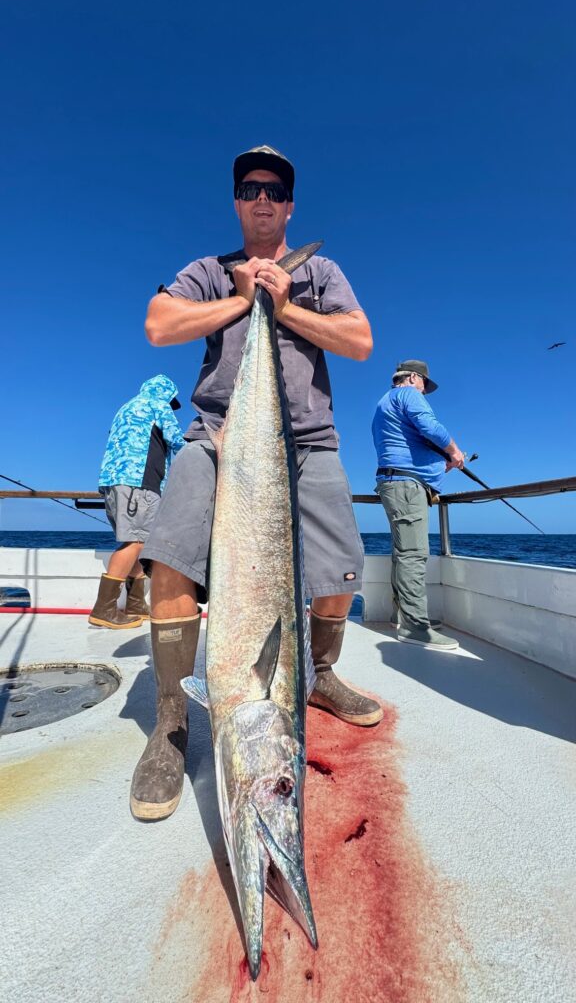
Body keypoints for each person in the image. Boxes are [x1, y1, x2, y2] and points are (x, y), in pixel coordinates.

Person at [130, 143, 383, 822]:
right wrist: (241, 300)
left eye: (275, 187)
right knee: (170, 559)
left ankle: (319, 676)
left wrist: (283, 303)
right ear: (237, 202)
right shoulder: (208, 270)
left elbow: (358, 341)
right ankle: (172, 723)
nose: (262, 196)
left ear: (290, 204)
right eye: (249, 187)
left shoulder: (321, 270)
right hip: (217, 433)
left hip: (307, 440)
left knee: (341, 574)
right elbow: (160, 326)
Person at [372, 360, 465, 651]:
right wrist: (454, 452)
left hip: (395, 483)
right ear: (413, 377)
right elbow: (429, 426)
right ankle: (414, 626)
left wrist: (438, 463)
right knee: (413, 554)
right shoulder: (409, 394)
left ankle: (403, 616)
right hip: (406, 486)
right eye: (425, 383)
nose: (425, 390)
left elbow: (409, 440)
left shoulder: (384, 401)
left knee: (403, 553)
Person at [89, 374, 185, 630]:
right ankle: (104, 609)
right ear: (166, 394)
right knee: (137, 541)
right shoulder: (157, 405)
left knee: (141, 541)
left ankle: (134, 604)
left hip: (115, 482)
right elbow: (177, 441)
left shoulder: (125, 408)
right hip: (137, 483)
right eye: (172, 402)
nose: (172, 407)